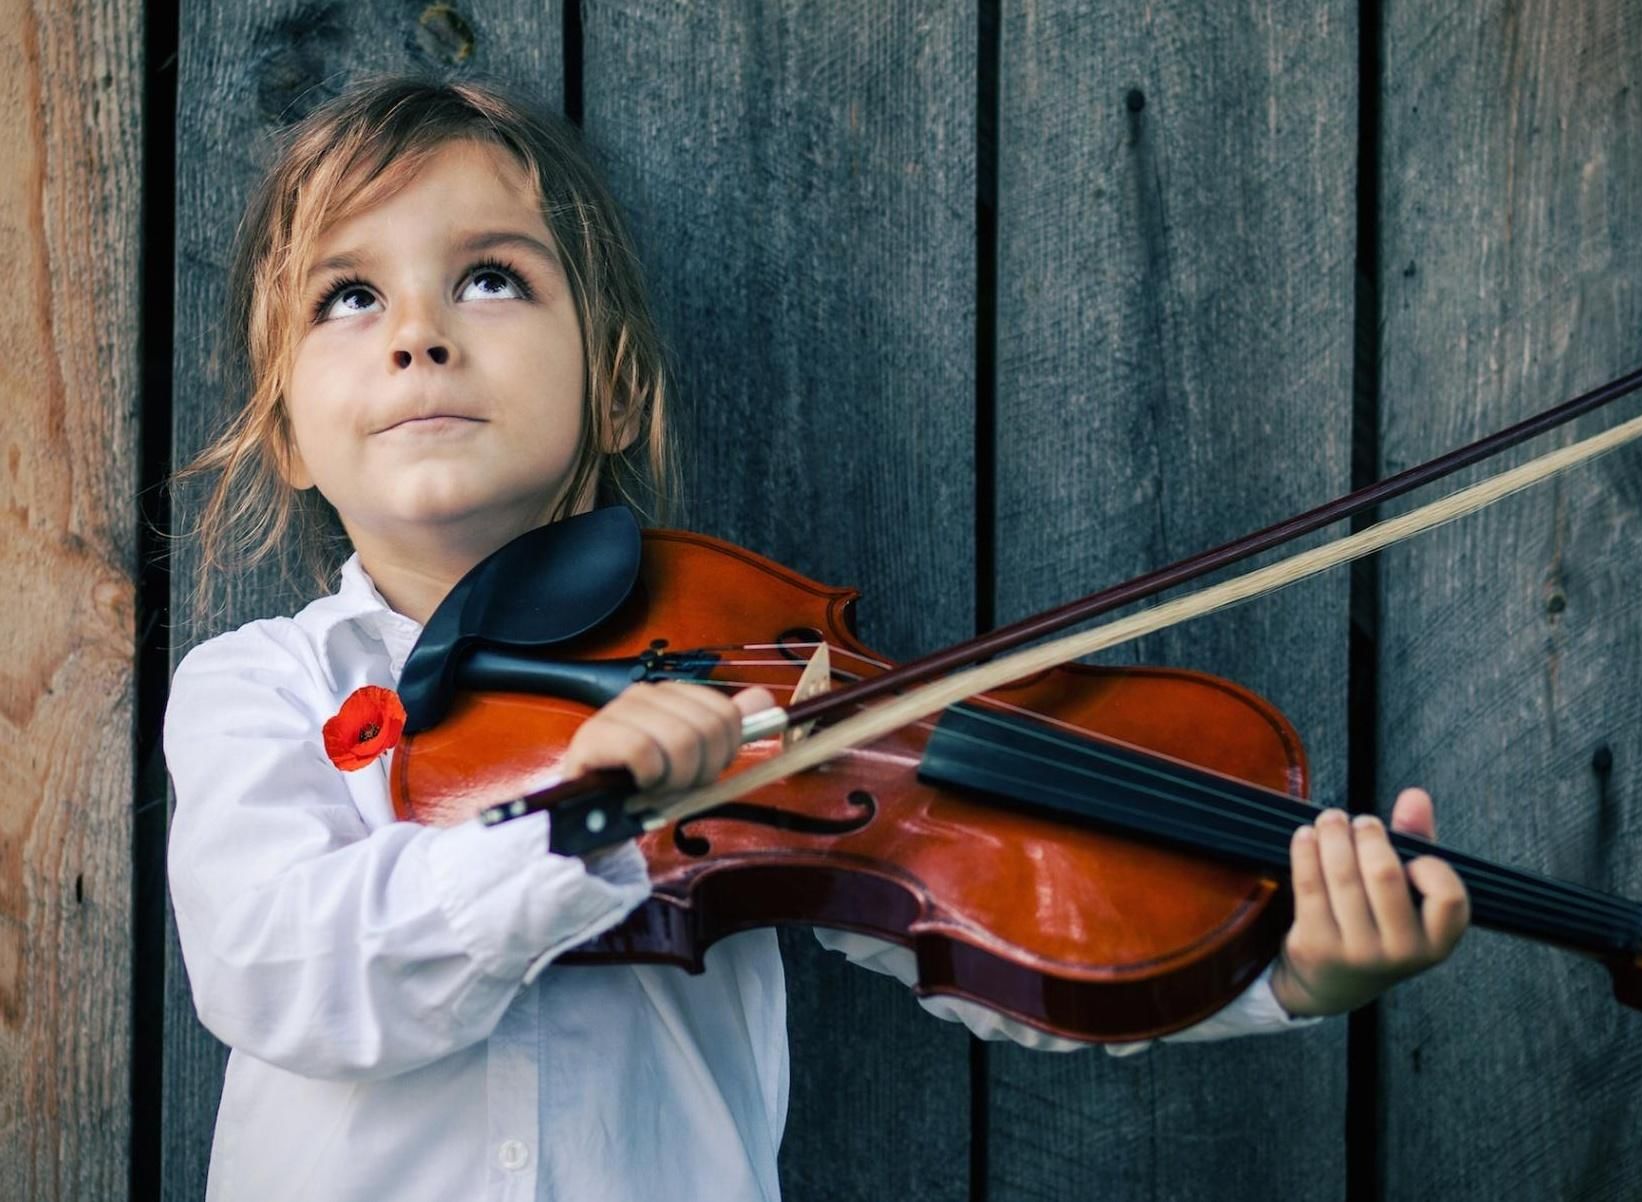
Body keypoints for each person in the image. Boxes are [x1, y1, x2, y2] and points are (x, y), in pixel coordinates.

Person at [165, 74, 1470, 1202]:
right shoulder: (259, 688)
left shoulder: (753, 676)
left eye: (491, 276)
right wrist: (582, 819)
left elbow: (1000, 919)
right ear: (283, 426)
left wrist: (1282, 966)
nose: (417, 334)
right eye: (347, 295)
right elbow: (275, 963)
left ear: (616, 385)